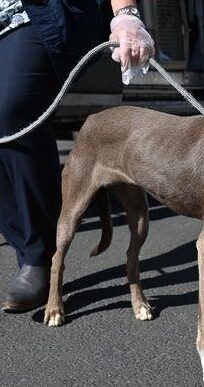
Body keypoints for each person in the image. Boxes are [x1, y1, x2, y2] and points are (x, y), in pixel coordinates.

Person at [0, 0, 154, 312]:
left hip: (36, 11)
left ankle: (38, 255)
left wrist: (125, 14)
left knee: (12, 107)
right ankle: (25, 239)